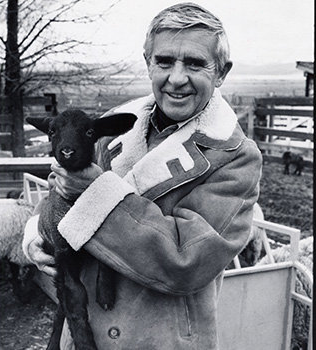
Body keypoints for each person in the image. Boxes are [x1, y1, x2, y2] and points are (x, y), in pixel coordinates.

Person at [23, 3, 262, 349]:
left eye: (195, 63)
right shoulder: (113, 126)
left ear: (221, 72)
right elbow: (59, 189)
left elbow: (187, 260)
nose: (176, 78)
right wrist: (37, 232)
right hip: (82, 327)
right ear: (148, 63)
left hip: (158, 338)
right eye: (164, 61)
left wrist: (97, 194)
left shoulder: (234, 157)